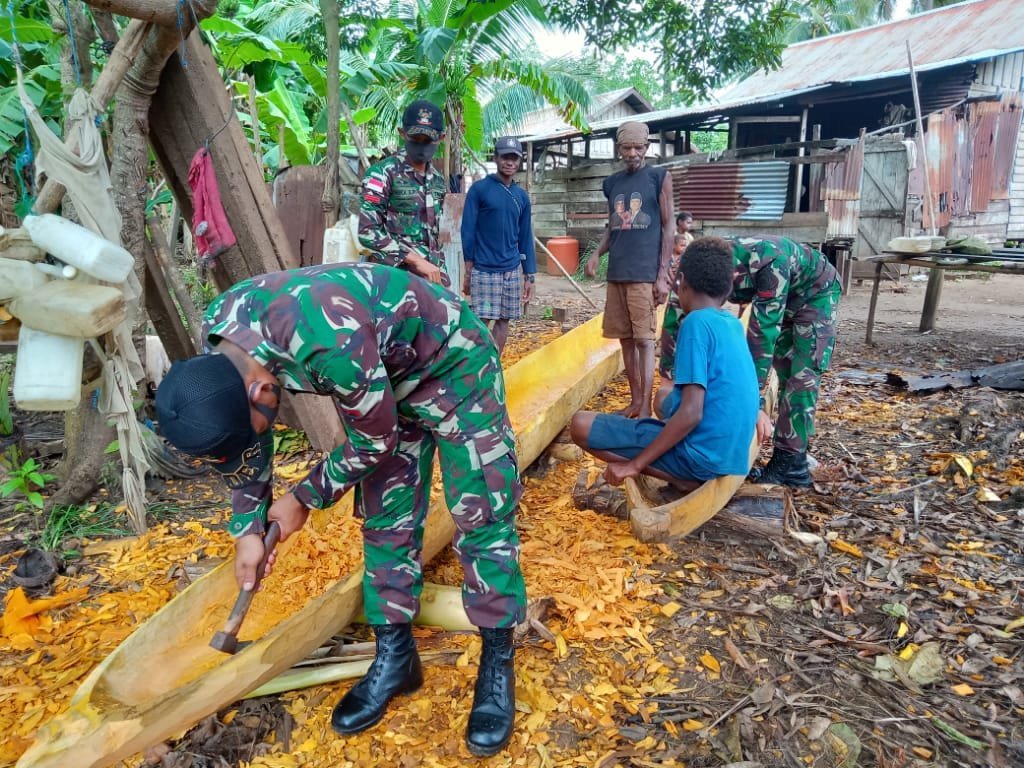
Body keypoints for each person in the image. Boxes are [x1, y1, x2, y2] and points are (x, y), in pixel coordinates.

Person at [154, 262, 526, 757]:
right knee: (386, 520)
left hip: (454, 369)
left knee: (481, 511)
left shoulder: (329, 343)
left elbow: (375, 441)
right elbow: (245, 444)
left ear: (261, 392)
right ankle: (396, 658)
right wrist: (247, 526)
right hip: (382, 382)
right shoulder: (221, 342)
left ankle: (497, 657)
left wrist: (302, 498)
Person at [570, 237, 761, 489]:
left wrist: (634, 465)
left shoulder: (695, 324)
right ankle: (671, 453)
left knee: (580, 424)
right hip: (729, 454)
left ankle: (681, 477)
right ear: (727, 289)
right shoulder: (732, 324)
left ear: (681, 283)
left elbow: (692, 413)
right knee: (663, 397)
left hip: (701, 459)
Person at [729, 235, 840, 487]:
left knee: (801, 378)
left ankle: (791, 465)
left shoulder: (770, 264)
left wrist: (753, 399)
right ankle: (790, 454)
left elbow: (763, 333)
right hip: (786, 297)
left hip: (816, 296)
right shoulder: (713, 261)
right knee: (784, 368)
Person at [585, 121, 674, 419]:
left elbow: (668, 224)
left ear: (647, 148)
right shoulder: (612, 184)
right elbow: (614, 226)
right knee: (624, 338)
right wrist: (597, 254)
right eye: (627, 147)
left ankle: (646, 407)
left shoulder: (659, 177)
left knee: (645, 341)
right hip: (618, 272)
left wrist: (663, 274)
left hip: (645, 274)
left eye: (638, 147)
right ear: (619, 149)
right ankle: (636, 401)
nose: (632, 153)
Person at [359, 100, 449, 287]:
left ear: (441, 138)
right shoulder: (383, 173)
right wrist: (415, 260)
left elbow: (435, 234)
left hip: (433, 277)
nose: (421, 146)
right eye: (415, 139)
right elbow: (367, 231)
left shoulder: (438, 181)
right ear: (402, 133)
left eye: (428, 140)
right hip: (393, 278)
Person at [461, 136, 537, 354]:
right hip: (484, 271)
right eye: (505, 157)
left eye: (514, 158)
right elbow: (468, 230)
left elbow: (525, 236)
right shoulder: (480, 190)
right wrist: (469, 268)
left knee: (504, 321)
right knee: (480, 321)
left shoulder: (521, 196)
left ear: (519, 161)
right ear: (495, 158)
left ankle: (494, 366)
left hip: (511, 272)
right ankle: (472, 368)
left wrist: (529, 275)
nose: (510, 162)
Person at [659, 211, 695, 378]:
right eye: (687, 222)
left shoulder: (689, 239)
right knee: (673, 318)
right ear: (679, 222)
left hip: (685, 282)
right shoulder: (670, 236)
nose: (690, 225)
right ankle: (669, 368)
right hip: (674, 285)